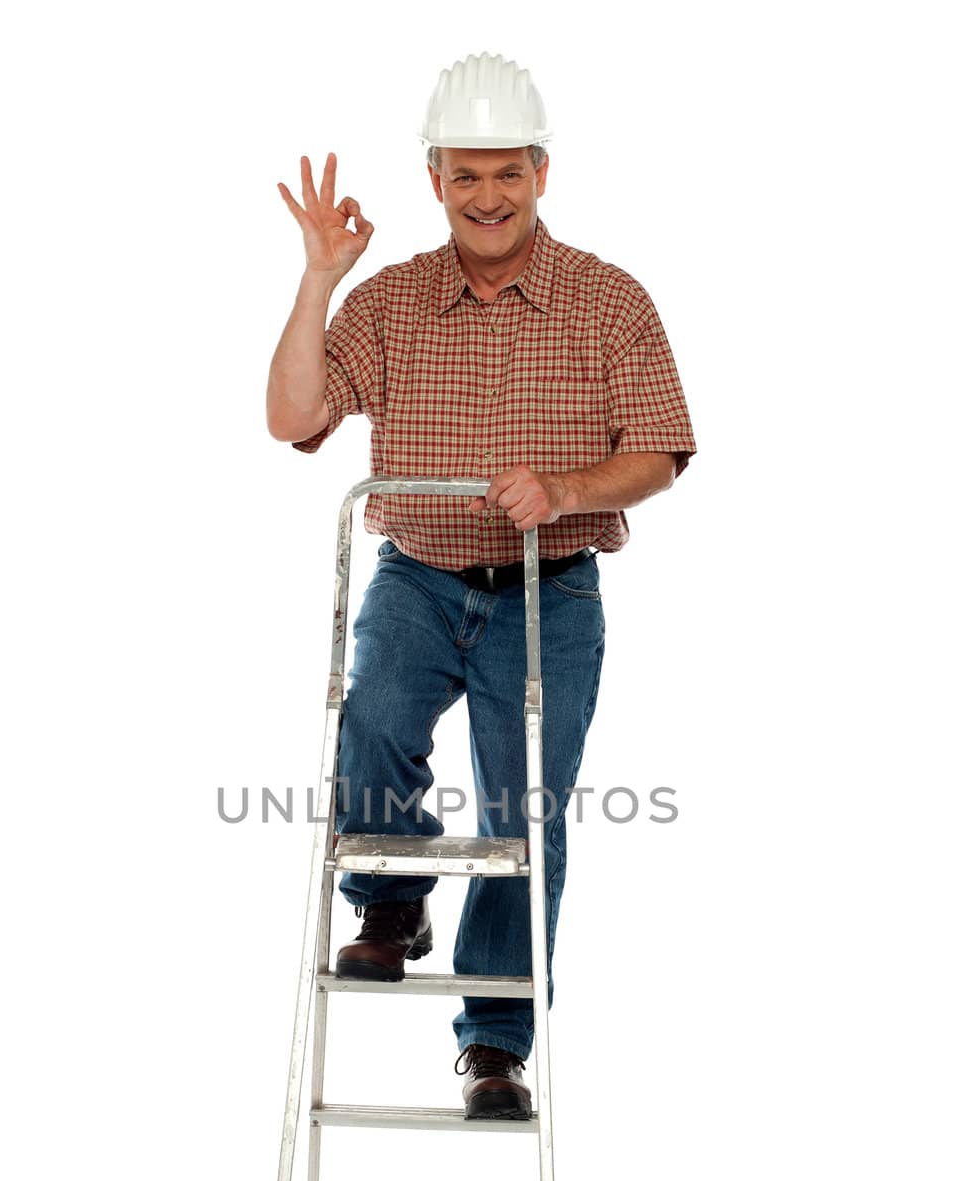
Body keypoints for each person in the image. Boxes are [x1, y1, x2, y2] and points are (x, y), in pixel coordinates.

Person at [266, 52, 696, 1120]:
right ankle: (392, 899)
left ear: (541, 173)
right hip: (415, 575)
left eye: (506, 172)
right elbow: (290, 419)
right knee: (369, 717)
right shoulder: (389, 301)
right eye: (465, 176)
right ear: (434, 181)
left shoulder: (609, 299)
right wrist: (319, 277)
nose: (487, 196)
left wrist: (567, 486)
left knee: (526, 813)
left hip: (550, 592)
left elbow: (661, 450)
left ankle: (495, 1041)